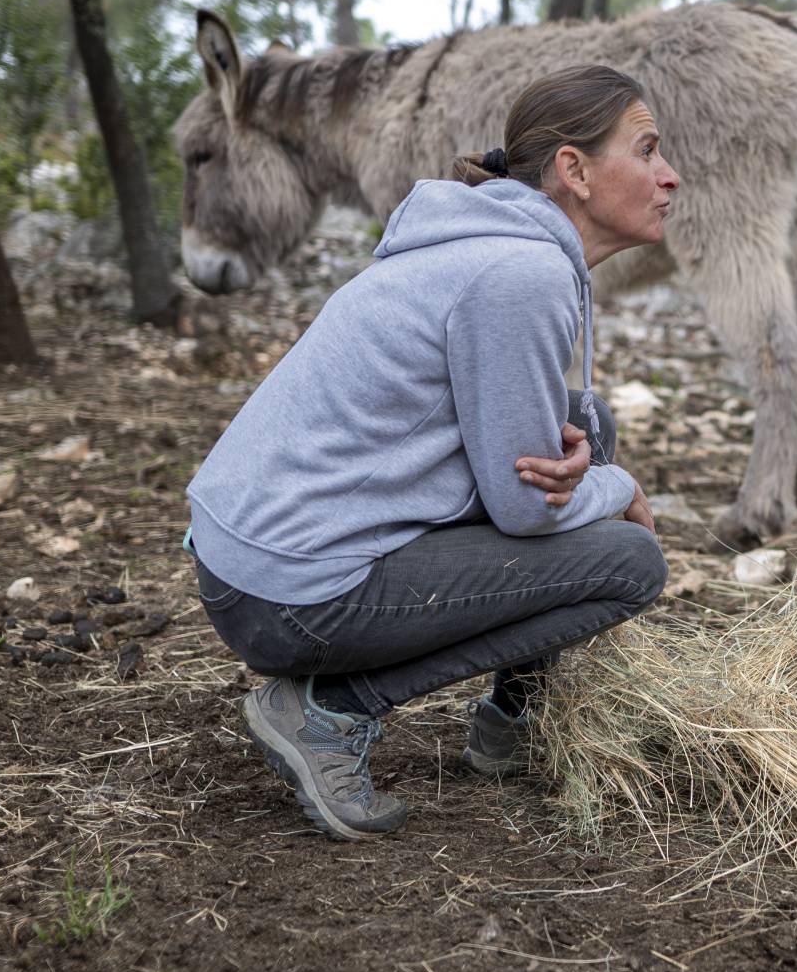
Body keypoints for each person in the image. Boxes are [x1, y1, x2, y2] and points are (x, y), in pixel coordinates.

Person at [185, 65, 680, 839]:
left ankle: (514, 722)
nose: (669, 174)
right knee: (630, 563)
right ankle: (325, 708)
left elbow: (508, 464)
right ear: (573, 171)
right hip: (287, 593)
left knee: (589, 420)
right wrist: (618, 488)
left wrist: (591, 461)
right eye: (647, 150)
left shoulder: (494, 246)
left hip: (246, 556)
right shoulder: (522, 273)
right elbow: (521, 506)